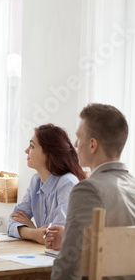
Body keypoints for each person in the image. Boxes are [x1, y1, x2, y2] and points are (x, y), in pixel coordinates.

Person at [45, 103, 135, 280]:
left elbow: (69, 267)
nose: (76, 144)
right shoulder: (132, 186)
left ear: (93, 144)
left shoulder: (87, 190)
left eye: (79, 137)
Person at [8, 124, 86, 244]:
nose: (26, 151)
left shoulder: (68, 184)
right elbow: (12, 221)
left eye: (32, 146)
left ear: (49, 154)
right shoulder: (36, 181)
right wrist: (35, 233)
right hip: (41, 254)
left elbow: (54, 238)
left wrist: (32, 230)